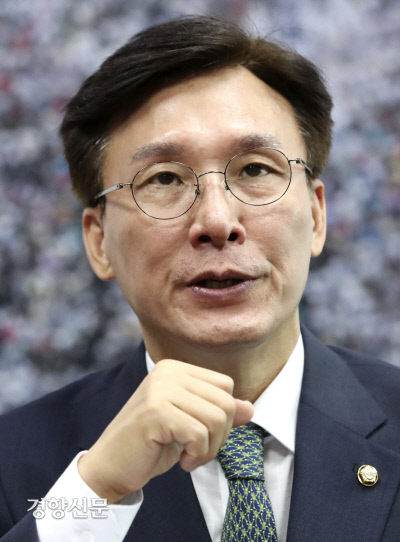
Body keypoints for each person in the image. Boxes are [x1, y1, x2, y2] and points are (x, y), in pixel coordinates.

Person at [0, 15, 400, 542]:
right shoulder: (14, 461)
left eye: (255, 170)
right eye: (164, 178)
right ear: (98, 241)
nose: (216, 221)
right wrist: (95, 496)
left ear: (317, 214)